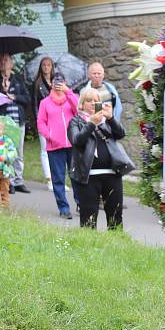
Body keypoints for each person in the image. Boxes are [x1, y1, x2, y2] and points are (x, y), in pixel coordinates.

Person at [68, 88, 126, 229]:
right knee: (88, 219)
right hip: (88, 176)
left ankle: (118, 246)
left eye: (96, 101)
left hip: (112, 174)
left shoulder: (106, 121)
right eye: (89, 101)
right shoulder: (76, 121)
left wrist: (111, 118)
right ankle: (89, 248)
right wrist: (91, 123)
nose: (93, 104)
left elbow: (121, 134)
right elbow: (76, 140)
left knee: (115, 217)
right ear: (82, 104)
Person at [37, 72, 79, 219]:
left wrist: (68, 91)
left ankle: (80, 203)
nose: (58, 84)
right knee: (58, 178)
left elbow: (79, 110)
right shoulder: (45, 103)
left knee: (76, 176)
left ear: (65, 82)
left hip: (73, 144)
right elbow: (40, 123)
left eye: (61, 81)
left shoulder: (71, 98)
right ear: (51, 84)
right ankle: (63, 208)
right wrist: (50, 136)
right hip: (54, 147)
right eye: (55, 81)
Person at [0, 53, 31, 194]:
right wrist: (3, 92)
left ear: (12, 64)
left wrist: (15, 97)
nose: (3, 63)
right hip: (3, 122)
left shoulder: (18, 79)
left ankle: (18, 180)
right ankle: (9, 181)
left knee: (18, 152)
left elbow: (27, 98)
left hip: (18, 121)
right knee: (6, 152)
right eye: (1, 61)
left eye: (6, 60)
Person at [32, 56, 55, 190]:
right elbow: (34, 103)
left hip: (56, 120)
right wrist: (38, 121)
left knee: (57, 150)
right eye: (44, 65)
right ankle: (49, 179)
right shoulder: (37, 83)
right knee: (45, 149)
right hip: (44, 119)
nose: (46, 67)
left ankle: (58, 179)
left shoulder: (57, 81)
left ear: (52, 67)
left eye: (48, 65)